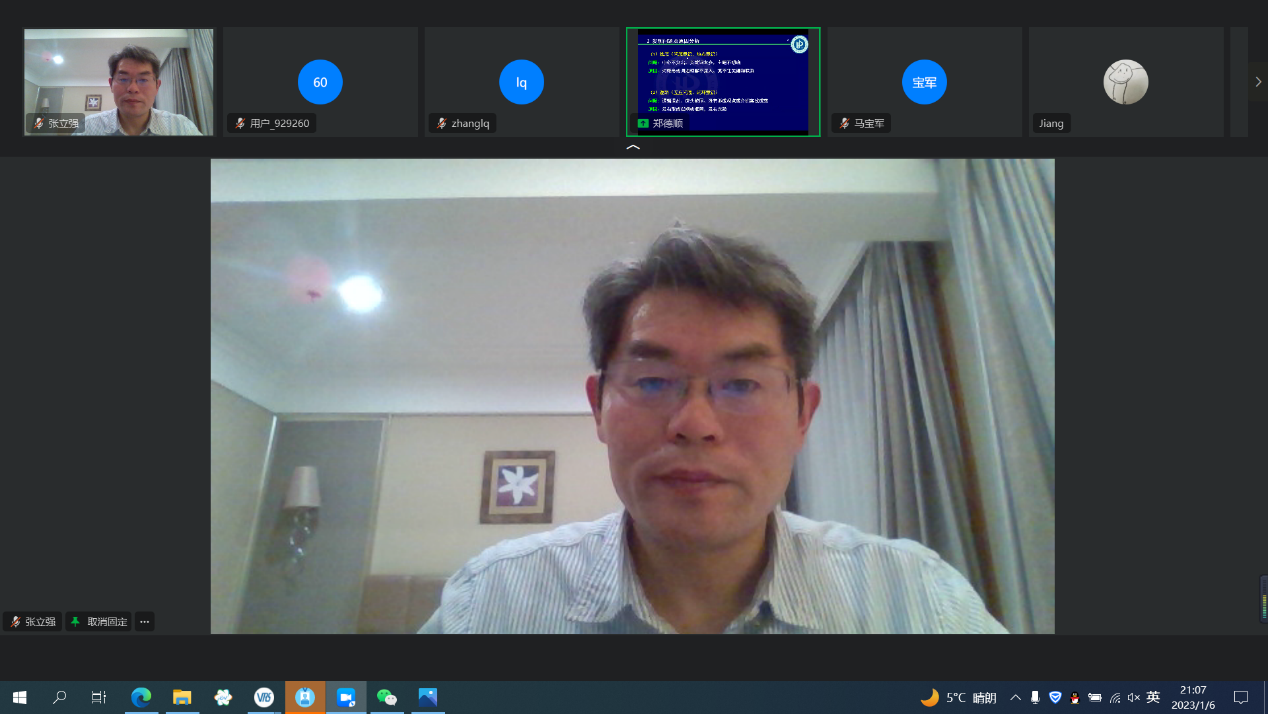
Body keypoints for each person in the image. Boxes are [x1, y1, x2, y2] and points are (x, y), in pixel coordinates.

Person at [420, 227, 1007, 634]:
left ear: (803, 414)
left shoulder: (919, 601)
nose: (695, 425)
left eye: (742, 384)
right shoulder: (490, 604)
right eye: (653, 381)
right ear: (598, 407)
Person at [74, 45, 201, 136]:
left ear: (157, 86)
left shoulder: (181, 127)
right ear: (111, 84)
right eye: (123, 79)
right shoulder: (88, 127)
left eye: (143, 80)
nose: (133, 89)